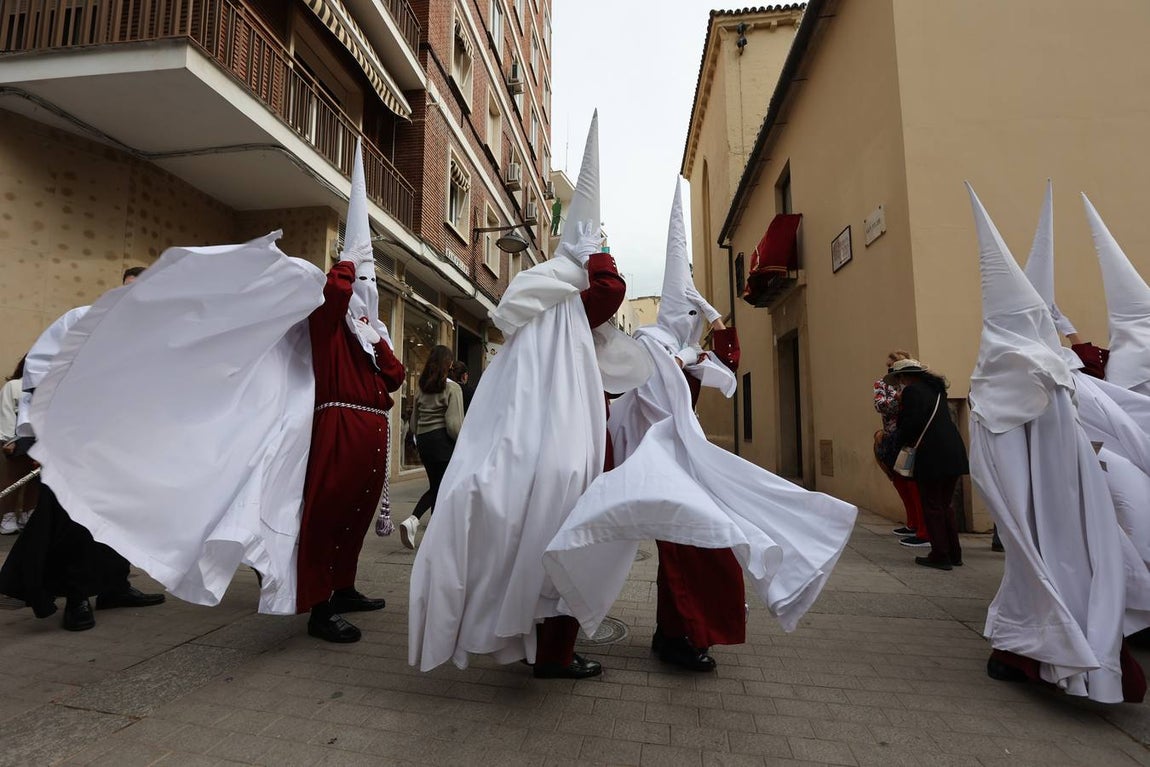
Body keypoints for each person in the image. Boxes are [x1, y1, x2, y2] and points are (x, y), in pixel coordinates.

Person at [543, 179, 858, 674]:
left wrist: (720, 328)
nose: (694, 318)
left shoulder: (684, 347)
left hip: (676, 460)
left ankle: (677, 634)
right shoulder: (651, 342)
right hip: (643, 457)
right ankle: (573, 634)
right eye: (689, 309)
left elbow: (725, 370)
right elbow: (657, 384)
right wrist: (688, 352)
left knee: (699, 545)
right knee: (666, 543)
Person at [408, 112, 652, 679]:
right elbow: (611, 289)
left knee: (537, 537)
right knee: (561, 533)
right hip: (559, 439)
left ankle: (535, 645)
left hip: (545, 432)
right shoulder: (566, 291)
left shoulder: (547, 289)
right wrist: (599, 251)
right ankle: (551, 653)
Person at [966, 183, 1143, 703]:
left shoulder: (1015, 365)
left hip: (1050, 501)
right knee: (1061, 569)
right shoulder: (1048, 367)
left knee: (1045, 570)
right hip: (1059, 499)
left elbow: (997, 436)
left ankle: (1043, 656)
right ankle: (1056, 657)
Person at [0, 268, 165, 631]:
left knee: (122, 518)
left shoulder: (152, 336)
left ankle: (115, 586)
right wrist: (33, 429)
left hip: (126, 443)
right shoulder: (80, 320)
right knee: (75, 521)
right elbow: (40, 372)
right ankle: (77, 597)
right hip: (77, 439)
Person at [886, 359, 968, 570]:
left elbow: (909, 425)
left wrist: (895, 443)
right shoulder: (937, 390)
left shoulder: (912, 393)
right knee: (944, 505)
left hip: (931, 454)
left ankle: (940, 553)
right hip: (952, 451)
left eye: (899, 379)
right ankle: (953, 552)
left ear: (904, 377)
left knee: (931, 505)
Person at [399, 345, 464, 550]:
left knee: (437, 485)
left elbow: (414, 421)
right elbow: (454, 424)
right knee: (440, 487)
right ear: (449, 364)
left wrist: (420, 439)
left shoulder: (421, 389)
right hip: (443, 441)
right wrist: (463, 444)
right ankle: (413, 520)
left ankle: (435, 537)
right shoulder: (452, 388)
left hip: (425, 442)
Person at [873, 350, 928, 549]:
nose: (891, 369)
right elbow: (880, 405)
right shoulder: (883, 384)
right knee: (899, 481)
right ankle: (912, 522)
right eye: (889, 366)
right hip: (893, 436)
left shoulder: (917, 387)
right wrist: (899, 398)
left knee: (911, 483)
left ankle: (919, 526)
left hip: (910, 438)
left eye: (894, 365)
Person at [1, 356, 32, 535]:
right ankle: (8, 516)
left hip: (38, 438)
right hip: (17, 439)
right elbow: (6, 411)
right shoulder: (13, 386)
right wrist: (7, 440)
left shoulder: (46, 388)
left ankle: (27, 514)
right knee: (13, 476)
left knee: (34, 480)